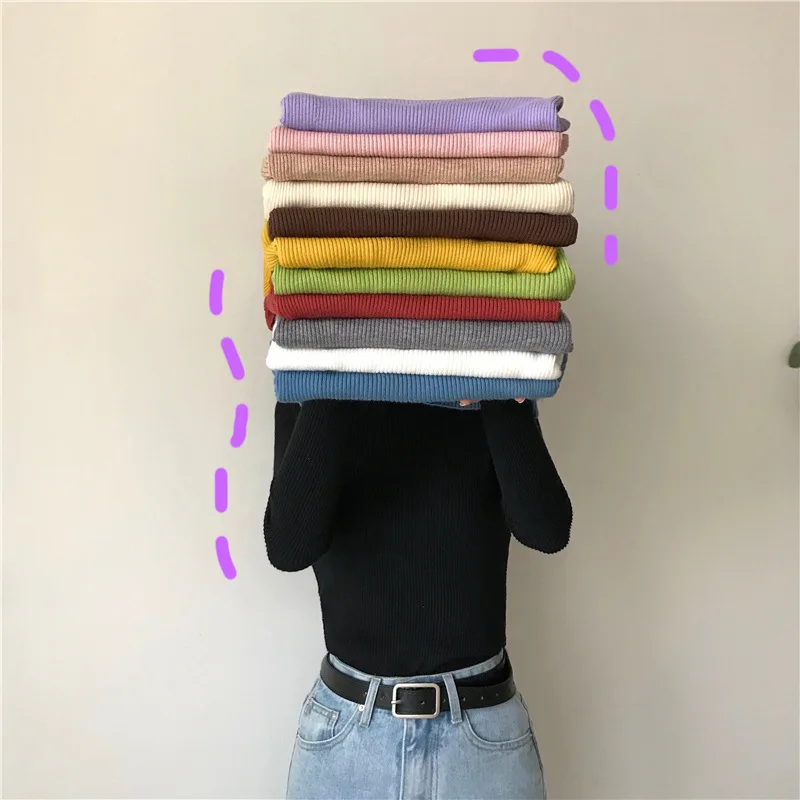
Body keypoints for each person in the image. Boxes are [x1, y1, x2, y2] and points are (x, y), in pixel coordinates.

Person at [264, 397, 572, 800]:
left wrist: (500, 390)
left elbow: (547, 530)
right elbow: (288, 547)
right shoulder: (310, 379)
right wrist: (336, 376)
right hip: (348, 742)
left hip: (480, 739)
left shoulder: (491, 375)